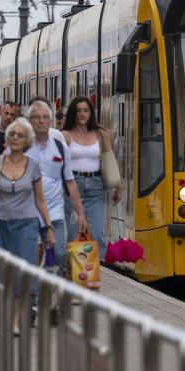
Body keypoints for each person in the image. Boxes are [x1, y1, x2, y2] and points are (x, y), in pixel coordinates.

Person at [0, 117, 56, 265]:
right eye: (12, 134)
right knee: (0, 272)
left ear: (27, 140)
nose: (15, 137)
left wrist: (48, 227)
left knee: (26, 271)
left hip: (26, 224)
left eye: (20, 135)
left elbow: (40, 200)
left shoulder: (33, 166)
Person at [26, 99, 87, 274]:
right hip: (27, 212)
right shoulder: (21, 144)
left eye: (45, 117)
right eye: (36, 117)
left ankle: (54, 295)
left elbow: (69, 181)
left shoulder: (59, 145)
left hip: (54, 212)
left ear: (51, 121)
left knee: (59, 254)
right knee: (33, 256)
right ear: (29, 120)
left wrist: (80, 214)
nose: (41, 121)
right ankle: (32, 294)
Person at [61, 96, 118, 256]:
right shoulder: (65, 135)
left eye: (86, 110)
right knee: (73, 233)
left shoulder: (101, 134)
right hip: (73, 186)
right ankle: (74, 270)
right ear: (73, 113)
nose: (82, 114)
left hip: (96, 185)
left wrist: (119, 186)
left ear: (91, 113)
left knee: (97, 231)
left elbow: (110, 160)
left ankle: (92, 268)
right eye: (78, 110)